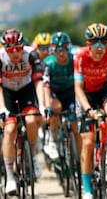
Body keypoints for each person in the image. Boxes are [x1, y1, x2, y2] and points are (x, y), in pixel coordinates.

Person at [74, 23, 107, 199]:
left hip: (103, 90)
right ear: (88, 45)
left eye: (103, 43)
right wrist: (88, 110)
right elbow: (78, 87)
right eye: (95, 43)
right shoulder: (80, 56)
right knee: (88, 144)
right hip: (85, 95)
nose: (100, 48)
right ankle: (88, 189)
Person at [0, 29, 45, 195]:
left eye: (17, 48)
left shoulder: (31, 54)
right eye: (10, 50)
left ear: (22, 46)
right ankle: (10, 176)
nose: (15, 53)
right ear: (5, 49)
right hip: (7, 94)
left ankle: (31, 154)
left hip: (26, 90)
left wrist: (42, 106)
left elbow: (39, 81)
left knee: (32, 120)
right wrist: (2, 109)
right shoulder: (0, 58)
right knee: (10, 130)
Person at [43, 31, 80, 160]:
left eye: (64, 49)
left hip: (70, 92)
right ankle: (52, 139)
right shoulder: (48, 63)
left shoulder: (74, 60)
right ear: (53, 50)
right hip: (54, 92)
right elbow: (45, 86)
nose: (61, 53)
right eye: (58, 50)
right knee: (56, 108)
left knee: (75, 125)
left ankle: (81, 159)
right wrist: (48, 105)